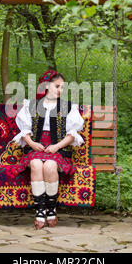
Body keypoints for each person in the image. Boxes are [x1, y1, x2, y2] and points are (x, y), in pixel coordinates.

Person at [11, 70, 85, 229]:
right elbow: (24, 131)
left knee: (50, 166)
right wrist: (32, 144)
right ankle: (39, 210)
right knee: (37, 164)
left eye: (63, 87)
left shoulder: (68, 107)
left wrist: (57, 146)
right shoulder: (31, 105)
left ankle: (51, 208)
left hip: (59, 147)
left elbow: (72, 134)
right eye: (57, 86)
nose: (60, 90)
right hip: (36, 146)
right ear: (46, 86)